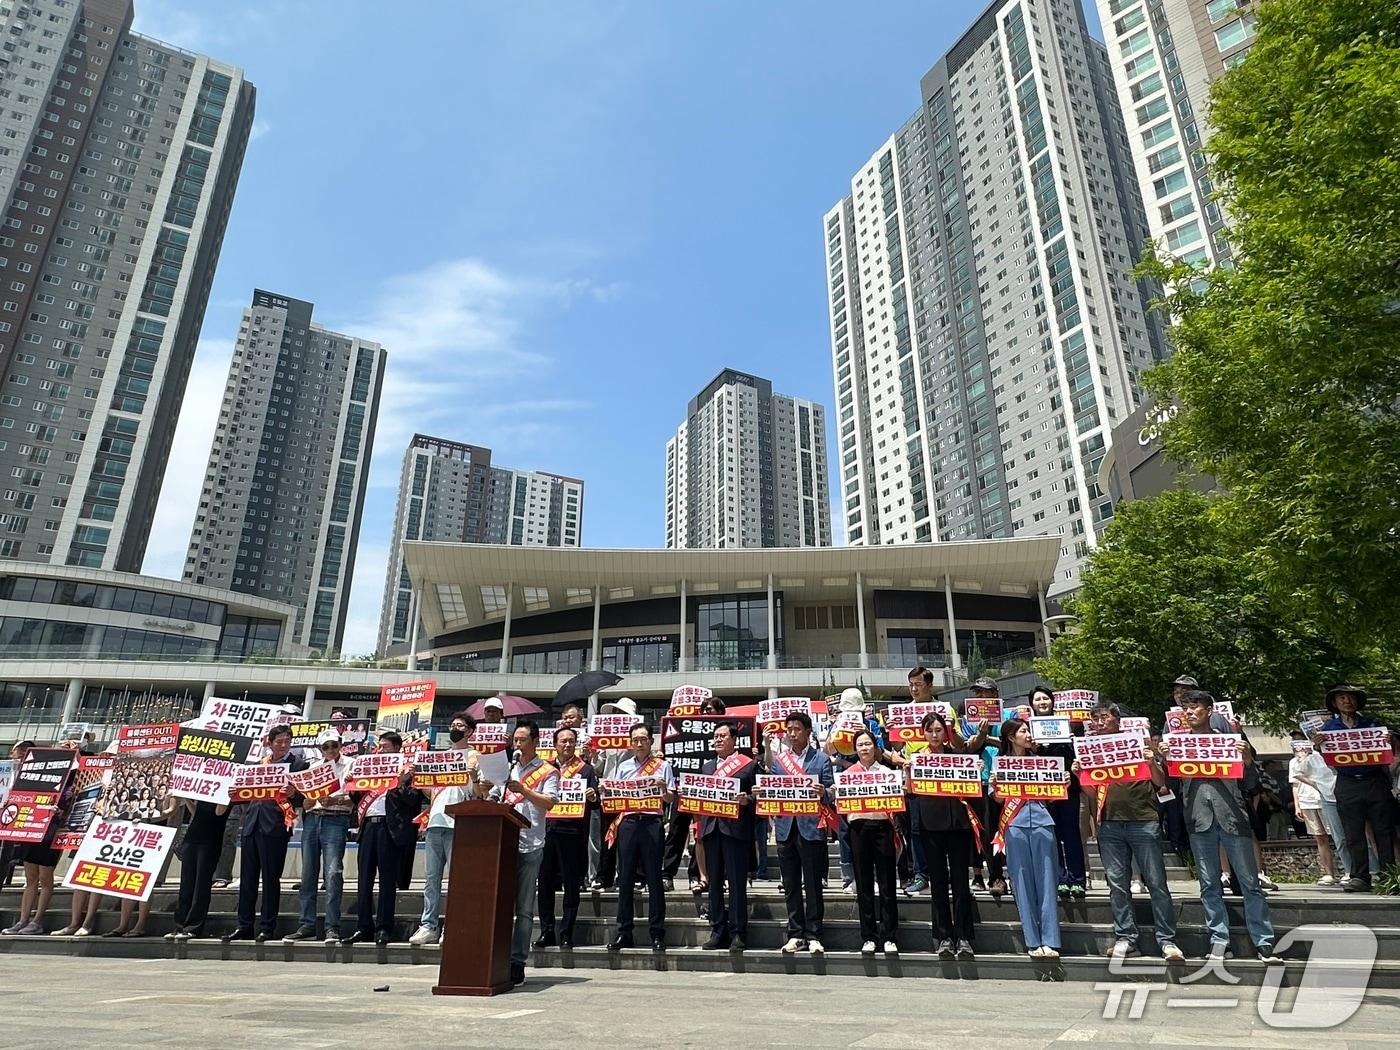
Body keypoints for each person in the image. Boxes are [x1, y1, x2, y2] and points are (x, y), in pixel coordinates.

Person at [1178, 690, 1279, 961]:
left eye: (1194, 706)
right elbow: (1170, 785)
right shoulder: (1177, 746)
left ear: (1210, 710)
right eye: (1185, 708)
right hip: (1199, 820)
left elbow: (1250, 786)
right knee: (1209, 884)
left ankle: (1263, 941)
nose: (1189, 712)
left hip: (1233, 818)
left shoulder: (1229, 743)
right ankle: (1219, 940)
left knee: (1249, 882)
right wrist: (1161, 757)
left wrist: (1247, 762)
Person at [1080, 700, 1184, 962]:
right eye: (1095, 718)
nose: (1099, 722)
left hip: (1143, 819)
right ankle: (1126, 937)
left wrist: (1151, 761)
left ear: (1117, 719)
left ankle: (1167, 940)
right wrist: (1082, 775)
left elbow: (1161, 782)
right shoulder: (1091, 750)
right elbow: (1092, 793)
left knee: (1157, 882)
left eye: (1103, 717)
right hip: (1109, 822)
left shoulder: (1137, 742)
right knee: (1117, 885)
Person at [486, 718, 557, 986]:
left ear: (536, 742)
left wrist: (525, 790)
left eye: (522, 740)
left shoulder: (548, 771)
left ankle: (518, 961)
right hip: (504, 844)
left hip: (531, 844)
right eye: (514, 740)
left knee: (524, 909)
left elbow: (549, 802)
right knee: (499, 903)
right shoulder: (508, 768)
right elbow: (495, 795)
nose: (517, 744)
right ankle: (497, 956)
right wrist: (488, 791)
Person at [224, 724, 308, 943]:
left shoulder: (298, 764)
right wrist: (235, 794)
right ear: (270, 743)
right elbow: (246, 795)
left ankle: (267, 927)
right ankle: (244, 925)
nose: (282, 745)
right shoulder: (256, 765)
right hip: (251, 826)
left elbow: (306, 798)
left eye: (287, 741)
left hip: (276, 827)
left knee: (271, 879)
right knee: (248, 879)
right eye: (278, 741)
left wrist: (294, 793)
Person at [408, 711, 484, 946]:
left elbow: (482, 793)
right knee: (431, 879)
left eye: (460, 725)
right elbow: (431, 792)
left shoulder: (476, 757)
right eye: (452, 725)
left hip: (459, 824)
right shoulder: (440, 757)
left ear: (469, 731)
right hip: (435, 822)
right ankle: (428, 925)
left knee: (456, 880)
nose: (454, 728)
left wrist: (475, 778)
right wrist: (419, 778)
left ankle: (452, 925)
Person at [344, 731, 424, 947]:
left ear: (398, 748)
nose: (381, 750)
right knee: (364, 880)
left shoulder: (409, 772)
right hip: (368, 827)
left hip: (391, 830)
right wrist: (352, 785)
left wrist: (399, 783)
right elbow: (358, 799)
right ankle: (363, 927)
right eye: (379, 746)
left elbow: (413, 800)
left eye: (386, 746)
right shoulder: (369, 767)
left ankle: (383, 928)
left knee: (387, 881)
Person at [1312, 685, 1394, 893]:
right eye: (1342, 698)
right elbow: (1328, 759)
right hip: (1347, 783)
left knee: (1383, 830)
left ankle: (1389, 876)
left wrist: (1388, 742)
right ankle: (1360, 877)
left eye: (1350, 698)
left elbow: (1388, 752)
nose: (1347, 701)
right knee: (1353, 833)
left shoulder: (1372, 725)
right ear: (1335, 703)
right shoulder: (1329, 728)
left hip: (1375, 781)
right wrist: (1318, 746)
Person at [993, 717, 1061, 959]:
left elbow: (1052, 797)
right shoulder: (1000, 764)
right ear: (1012, 737)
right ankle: (1033, 940)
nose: (1029, 735)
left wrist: (1061, 783)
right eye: (1024, 731)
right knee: (1021, 881)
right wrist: (996, 785)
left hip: (1043, 822)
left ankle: (1051, 939)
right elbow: (998, 799)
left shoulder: (1043, 763)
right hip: (1015, 825)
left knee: (1047, 880)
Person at [914, 711, 978, 960]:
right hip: (931, 827)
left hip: (958, 826)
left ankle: (963, 936)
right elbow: (910, 791)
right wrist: (909, 771)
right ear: (923, 733)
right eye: (930, 730)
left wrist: (976, 770)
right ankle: (943, 936)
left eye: (938, 730)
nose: (934, 734)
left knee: (961, 884)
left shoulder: (958, 757)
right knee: (938, 884)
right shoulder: (919, 758)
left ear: (946, 732)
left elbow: (971, 789)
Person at [606, 724, 674, 952]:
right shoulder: (623, 766)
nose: (639, 743)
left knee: (654, 878)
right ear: (630, 742)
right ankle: (624, 932)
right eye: (635, 739)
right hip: (628, 823)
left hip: (652, 823)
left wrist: (664, 789)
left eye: (643, 739)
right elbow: (613, 793)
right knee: (624, 878)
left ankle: (657, 932)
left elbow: (671, 799)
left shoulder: (663, 766)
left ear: (650, 742)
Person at [772, 711, 833, 954]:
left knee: (813, 884)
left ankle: (814, 933)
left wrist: (823, 793)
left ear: (808, 732)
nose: (793, 734)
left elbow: (831, 793)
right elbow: (774, 792)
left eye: (797, 729)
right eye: (789, 730)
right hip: (786, 828)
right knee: (790, 884)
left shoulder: (821, 759)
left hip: (811, 829)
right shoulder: (779, 761)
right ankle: (795, 933)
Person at [286, 730, 354, 944]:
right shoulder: (313, 767)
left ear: (340, 744)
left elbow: (355, 796)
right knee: (308, 874)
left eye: (334, 745)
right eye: (326, 747)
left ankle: (332, 926)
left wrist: (338, 802)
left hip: (336, 819)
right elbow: (304, 799)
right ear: (320, 749)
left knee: (333, 873)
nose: (331, 750)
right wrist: (305, 803)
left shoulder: (351, 764)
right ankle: (307, 924)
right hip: (313, 819)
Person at [535, 725, 597, 948]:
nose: (568, 744)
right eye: (563, 741)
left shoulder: (586, 770)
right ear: (555, 745)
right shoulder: (544, 769)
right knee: (545, 883)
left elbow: (597, 803)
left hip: (573, 832)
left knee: (571, 884)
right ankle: (546, 930)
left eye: (572, 741)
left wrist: (592, 796)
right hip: (546, 830)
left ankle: (567, 932)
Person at [699, 721, 757, 951]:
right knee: (714, 885)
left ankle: (738, 932)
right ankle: (717, 929)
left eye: (723, 736)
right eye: (715, 736)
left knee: (736, 883)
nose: (718, 739)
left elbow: (759, 799)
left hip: (735, 831)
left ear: (734, 740)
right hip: (712, 830)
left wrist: (747, 801)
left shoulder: (748, 766)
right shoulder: (706, 767)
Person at [845, 728, 899, 954]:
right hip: (858, 829)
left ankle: (889, 936)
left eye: (868, 744)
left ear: (875, 747)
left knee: (887, 884)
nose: (864, 748)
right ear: (855, 749)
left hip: (882, 828)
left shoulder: (886, 772)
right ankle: (868, 936)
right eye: (860, 745)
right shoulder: (849, 774)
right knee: (864, 884)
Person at [1029, 685, 1087, 899]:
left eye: (1045, 698)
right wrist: (1034, 748)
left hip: (1068, 786)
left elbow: (1079, 756)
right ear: (1031, 704)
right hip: (1043, 788)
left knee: (1070, 833)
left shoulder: (1069, 725)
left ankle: (1078, 879)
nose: (1042, 702)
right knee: (1051, 834)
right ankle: (1060, 878)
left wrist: (1072, 740)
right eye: (1037, 699)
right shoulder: (1028, 729)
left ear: (1053, 702)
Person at [1, 740, 59, 936]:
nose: (16, 756)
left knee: (45, 877)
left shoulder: (56, 774)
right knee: (31, 876)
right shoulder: (17, 775)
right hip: (28, 828)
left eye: (20, 753)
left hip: (48, 830)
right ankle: (24, 919)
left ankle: (37, 920)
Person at [167, 798, 230, 939]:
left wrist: (223, 796)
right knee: (186, 884)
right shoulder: (204, 793)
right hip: (192, 837)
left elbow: (219, 813)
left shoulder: (225, 792)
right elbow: (196, 813)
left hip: (210, 840)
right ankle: (180, 925)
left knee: (201, 885)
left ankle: (193, 927)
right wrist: (188, 799)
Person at [960, 679, 1000, 895]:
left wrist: (988, 738)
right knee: (981, 829)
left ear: (994, 693)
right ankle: (983, 875)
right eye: (977, 694)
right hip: (978, 780)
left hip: (1004, 779)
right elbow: (968, 745)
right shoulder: (968, 718)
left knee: (1000, 829)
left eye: (984, 693)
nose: (980, 698)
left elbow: (1012, 741)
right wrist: (982, 737)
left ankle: (999, 875)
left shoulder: (1008, 715)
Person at [897, 666, 934, 896]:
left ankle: (941, 871)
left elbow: (958, 745)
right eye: (910, 684)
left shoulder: (944, 710)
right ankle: (921, 875)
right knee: (916, 830)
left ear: (929, 685)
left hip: (940, 780)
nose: (913, 689)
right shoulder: (904, 712)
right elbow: (897, 748)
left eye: (918, 684)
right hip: (913, 781)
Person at [1288, 733, 1341, 885]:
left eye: (1300, 740)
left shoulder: (1320, 756)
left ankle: (1349, 871)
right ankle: (1328, 873)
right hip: (1307, 801)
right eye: (1295, 741)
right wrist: (1297, 805)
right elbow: (1295, 784)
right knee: (1319, 837)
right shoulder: (1294, 762)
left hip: (1326, 799)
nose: (1298, 744)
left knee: (1338, 835)